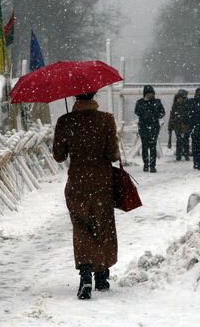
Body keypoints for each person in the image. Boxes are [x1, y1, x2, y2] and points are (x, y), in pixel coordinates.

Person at [53, 92, 119, 300]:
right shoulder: (106, 119)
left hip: (78, 183)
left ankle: (85, 274)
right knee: (103, 225)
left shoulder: (65, 121)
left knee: (82, 227)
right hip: (102, 182)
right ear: (95, 94)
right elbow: (112, 155)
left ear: (74, 97)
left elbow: (59, 155)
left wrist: (69, 133)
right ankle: (101, 274)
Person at [134, 85, 165, 173]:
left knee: (152, 147)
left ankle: (152, 165)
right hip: (143, 127)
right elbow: (137, 111)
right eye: (148, 93)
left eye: (151, 93)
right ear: (145, 94)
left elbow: (162, 112)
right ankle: (145, 164)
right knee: (144, 147)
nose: (150, 95)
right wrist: (145, 113)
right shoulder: (140, 102)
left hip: (154, 127)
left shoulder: (157, 102)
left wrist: (154, 115)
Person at [168, 89, 189, 161]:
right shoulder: (175, 106)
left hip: (184, 125)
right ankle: (180, 154)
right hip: (178, 125)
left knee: (184, 140)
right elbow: (172, 116)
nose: (179, 100)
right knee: (180, 140)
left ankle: (184, 154)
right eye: (178, 98)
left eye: (181, 98)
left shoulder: (185, 105)